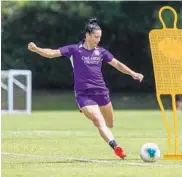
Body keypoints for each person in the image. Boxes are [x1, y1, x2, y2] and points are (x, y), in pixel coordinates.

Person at [27, 18, 144, 159]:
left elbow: (117, 64)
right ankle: (115, 147)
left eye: (100, 37)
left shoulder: (101, 52)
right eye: (96, 37)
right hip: (84, 94)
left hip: (101, 92)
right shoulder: (74, 50)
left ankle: (91, 115)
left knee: (110, 123)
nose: (98, 40)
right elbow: (51, 53)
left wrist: (133, 73)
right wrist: (36, 49)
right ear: (87, 35)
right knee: (98, 121)